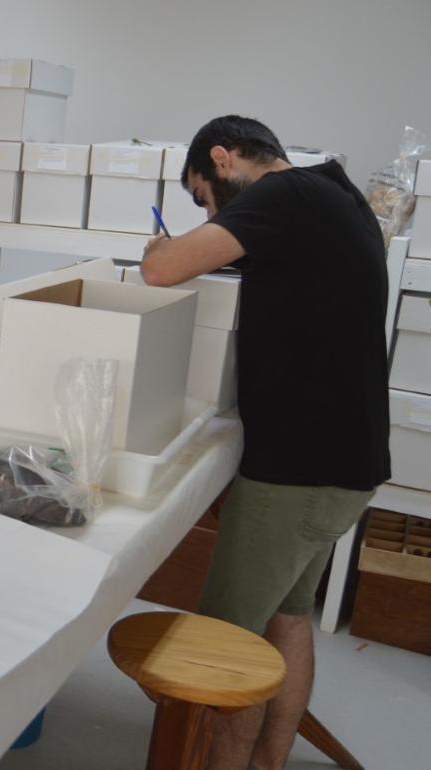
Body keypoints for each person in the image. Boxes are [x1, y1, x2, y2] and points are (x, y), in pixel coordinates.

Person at [142, 116, 390, 770]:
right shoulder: (337, 196)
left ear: (223, 158)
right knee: (287, 621)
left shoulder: (280, 197)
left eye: (203, 195)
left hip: (295, 474)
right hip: (345, 466)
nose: (209, 210)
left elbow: (164, 270)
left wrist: (157, 245)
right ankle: (265, 763)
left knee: (223, 648)